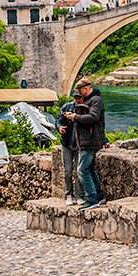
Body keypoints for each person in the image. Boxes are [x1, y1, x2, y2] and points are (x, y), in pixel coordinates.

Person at [65, 77, 105, 209]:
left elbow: (94, 117)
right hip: (84, 141)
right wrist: (73, 115)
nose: (79, 93)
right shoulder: (88, 100)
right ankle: (99, 196)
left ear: (86, 88)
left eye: (80, 90)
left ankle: (91, 198)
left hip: (90, 141)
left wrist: (75, 117)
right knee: (90, 169)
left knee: (81, 170)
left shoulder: (96, 100)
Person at [57, 93, 83, 205]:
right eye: (75, 98)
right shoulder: (66, 107)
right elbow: (58, 120)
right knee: (67, 171)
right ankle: (68, 195)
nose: (77, 100)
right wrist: (60, 128)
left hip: (79, 144)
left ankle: (79, 196)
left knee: (78, 171)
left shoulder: (85, 109)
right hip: (66, 143)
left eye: (79, 98)